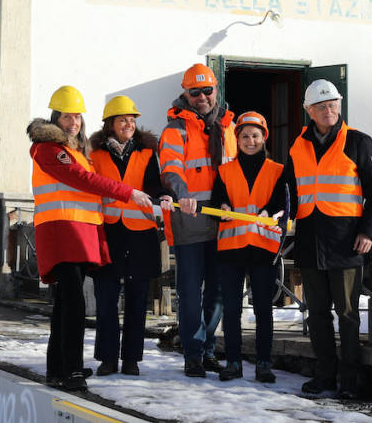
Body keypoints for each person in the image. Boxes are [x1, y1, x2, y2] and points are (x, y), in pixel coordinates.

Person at [27, 85, 153, 391]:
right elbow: (84, 180)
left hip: (77, 234)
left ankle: (58, 366)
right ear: (55, 117)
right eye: (68, 116)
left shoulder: (73, 152)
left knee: (64, 305)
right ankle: (70, 370)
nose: (74, 122)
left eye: (78, 117)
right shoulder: (49, 149)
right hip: (62, 233)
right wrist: (129, 192)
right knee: (74, 305)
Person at [286, 79, 372, 400]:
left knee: (347, 313)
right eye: (321, 106)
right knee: (316, 314)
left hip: (346, 240)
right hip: (310, 239)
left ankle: (350, 381)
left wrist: (368, 232)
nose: (329, 111)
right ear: (309, 111)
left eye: (333, 105)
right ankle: (325, 376)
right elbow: (286, 192)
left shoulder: (358, 141)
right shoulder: (297, 145)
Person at [158, 63, 236, 377]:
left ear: (216, 90)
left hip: (223, 220)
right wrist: (181, 193)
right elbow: (171, 167)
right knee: (191, 291)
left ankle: (205, 349)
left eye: (207, 91)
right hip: (189, 218)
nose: (202, 97)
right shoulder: (175, 129)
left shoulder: (230, 126)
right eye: (195, 92)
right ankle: (192, 353)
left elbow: (238, 168)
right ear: (186, 93)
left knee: (218, 290)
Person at [88, 95, 170, 377]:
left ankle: (132, 359)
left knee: (138, 300)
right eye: (123, 119)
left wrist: (164, 196)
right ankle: (107, 358)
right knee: (107, 299)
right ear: (109, 124)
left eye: (132, 120)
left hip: (141, 235)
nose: (128, 124)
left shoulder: (147, 152)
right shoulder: (95, 154)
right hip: (108, 232)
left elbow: (153, 186)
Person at [210, 111, 286, 383]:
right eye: (244, 136)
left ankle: (263, 364)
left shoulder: (278, 171)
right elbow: (215, 202)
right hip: (231, 250)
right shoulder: (224, 170)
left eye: (255, 135)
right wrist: (222, 208)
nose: (250, 141)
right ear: (237, 139)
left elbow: (284, 203)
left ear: (264, 138)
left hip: (264, 250)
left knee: (263, 309)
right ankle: (233, 363)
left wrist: (271, 210)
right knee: (231, 310)